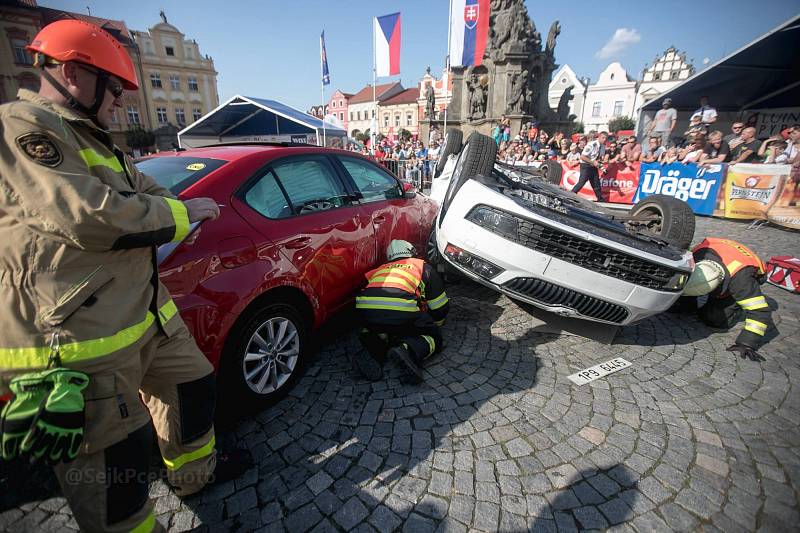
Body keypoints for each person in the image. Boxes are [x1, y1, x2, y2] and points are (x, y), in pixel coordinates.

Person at [0, 20, 252, 532]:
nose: (121, 101)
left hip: (146, 315)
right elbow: (87, 214)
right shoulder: (22, 126)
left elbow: (152, 194)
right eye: (115, 88)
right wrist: (179, 216)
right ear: (72, 73)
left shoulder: (94, 137)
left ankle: (193, 474)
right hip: (76, 337)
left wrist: (163, 210)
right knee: (116, 469)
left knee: (194, 385)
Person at [353, 240, 449, 381]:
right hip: (402, 310)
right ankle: (408, 351)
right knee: (434, 337)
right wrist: (436, 324)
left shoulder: (379, 270)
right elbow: (439, 306)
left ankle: (372, 348)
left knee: (384, 332)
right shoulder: (422, 267)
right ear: (411, 252)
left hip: (367, 313)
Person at [677, 238, 773, 361]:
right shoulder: (696, 255)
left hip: (748, 268)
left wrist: (747, 343)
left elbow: (760, 311)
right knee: (680, 301)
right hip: (723, 251)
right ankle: (689, 304)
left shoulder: (741, 282)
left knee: (714, 319)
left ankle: (733, 306)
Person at [571, 130, 607, 202]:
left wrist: (602, 163)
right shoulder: (592, 145)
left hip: (593, 165)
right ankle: (571, 195)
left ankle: (600, 199)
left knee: (596, 183)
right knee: (582, 181)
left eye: (606, 138)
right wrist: (592, 162)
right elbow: (583, 157)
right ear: (599, 137)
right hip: (586, 165)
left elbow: (600, 158)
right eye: (603, 138)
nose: (605, 140)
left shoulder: (603, 146)